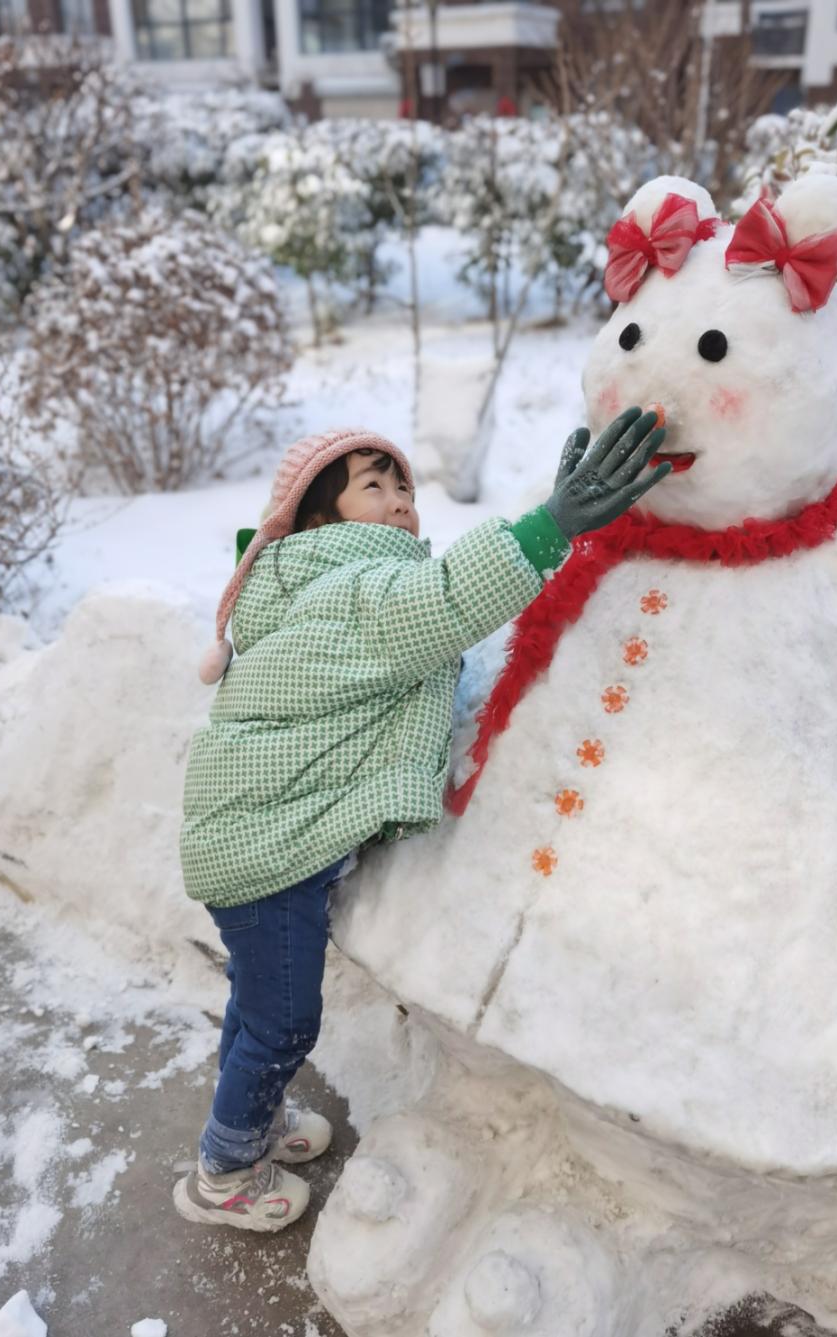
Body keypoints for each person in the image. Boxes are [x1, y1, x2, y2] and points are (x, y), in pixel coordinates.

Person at [174, 408, 670, 1232]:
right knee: (283, 1019)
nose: (402, 497)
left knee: (253, 1006)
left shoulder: (317, 584)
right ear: (319, 517)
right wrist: (553, 526)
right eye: (376, 484)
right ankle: (224, 1169)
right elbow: (442, 602)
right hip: (268, 855)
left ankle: (249, 1121)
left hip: (250, 839)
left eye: (404, 482)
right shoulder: (359, 588)